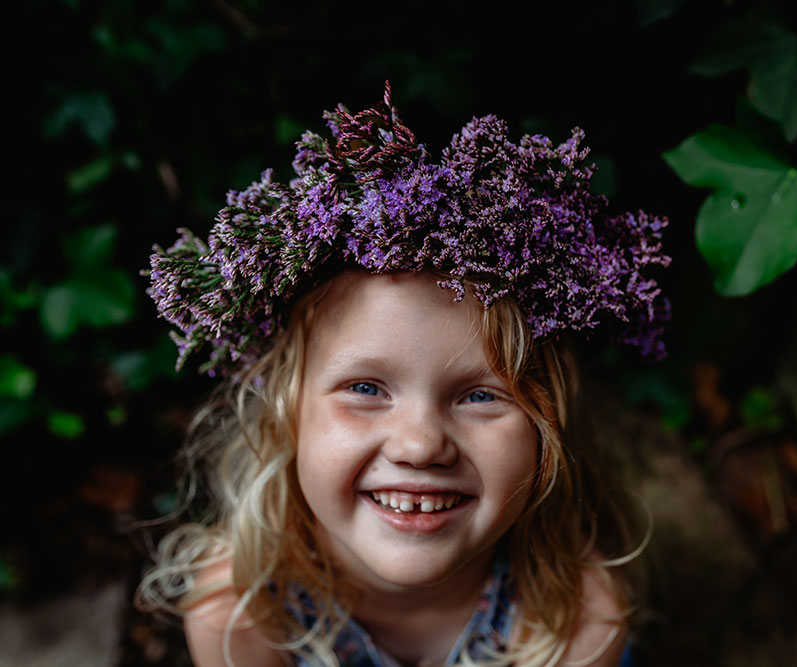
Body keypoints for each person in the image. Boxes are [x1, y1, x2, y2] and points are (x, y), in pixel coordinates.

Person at [137, 83, 671, 667]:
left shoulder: (578, 623)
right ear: (286, 411)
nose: (420, 445)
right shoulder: (238, 617)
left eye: (480, 395)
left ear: (548, 427)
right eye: (366, 389)